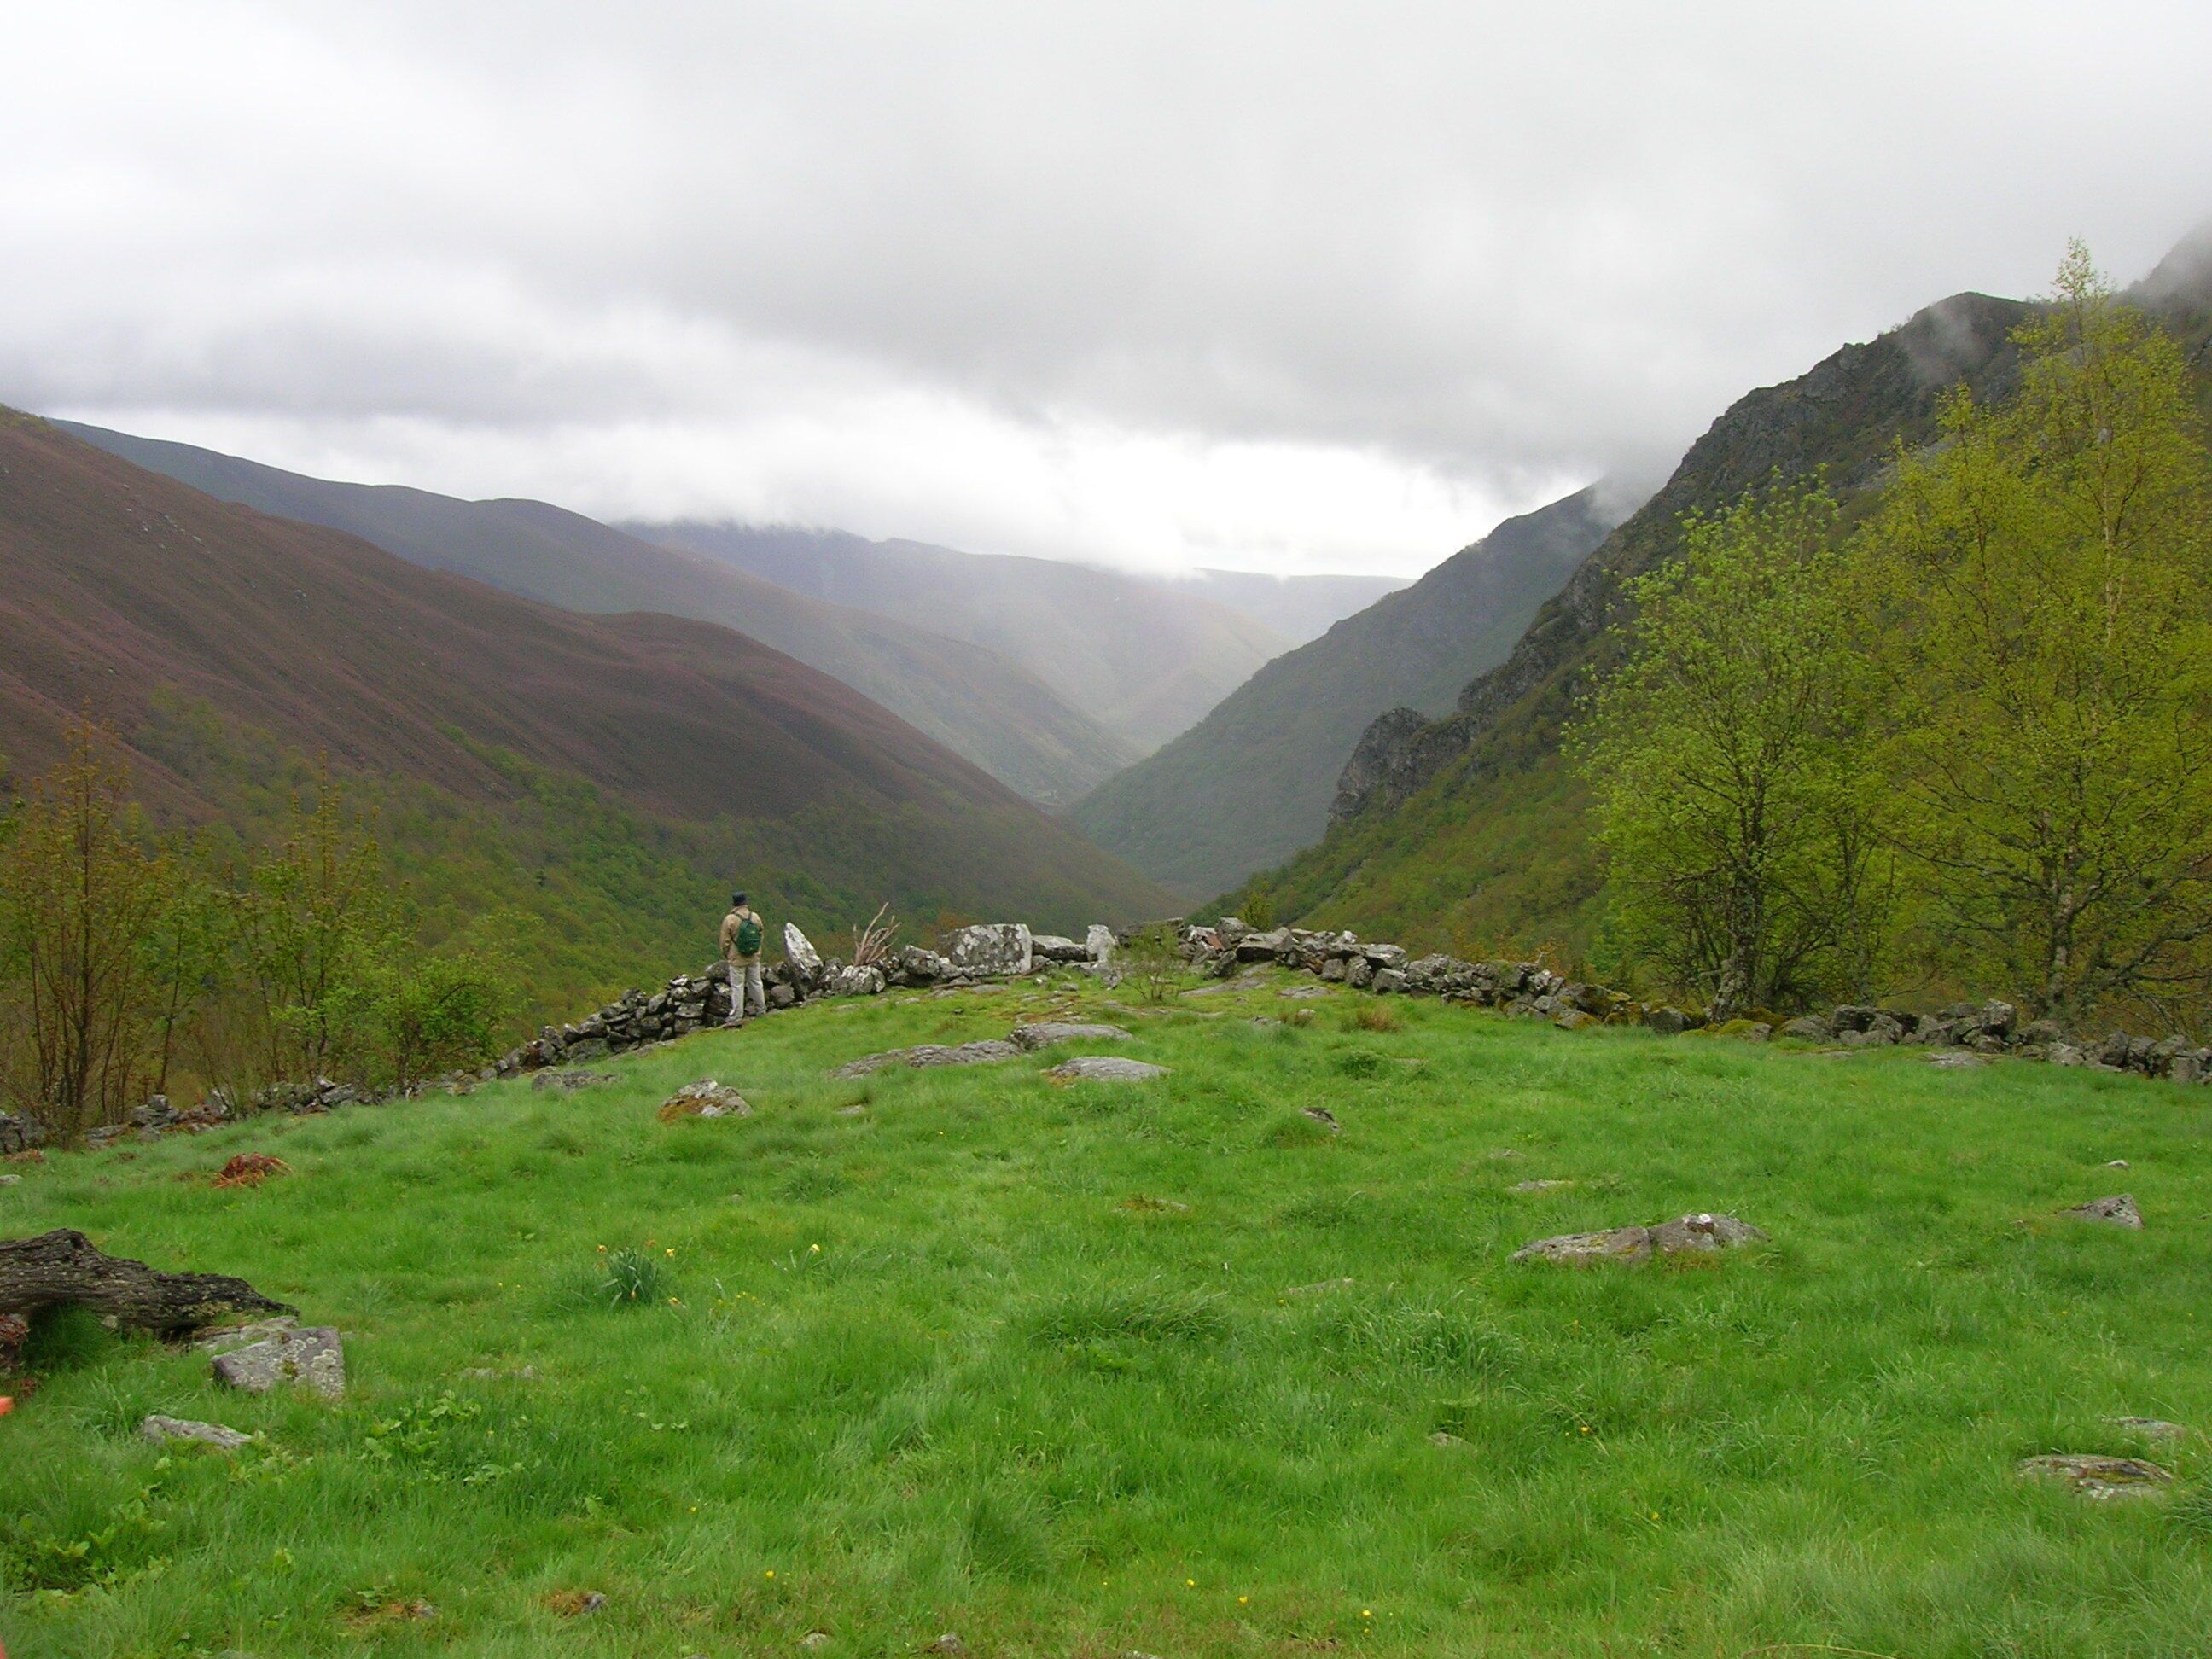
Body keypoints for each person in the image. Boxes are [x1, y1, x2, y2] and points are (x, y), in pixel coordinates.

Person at [719, 891, 767, 1028]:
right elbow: (760, 935)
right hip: (753, 957)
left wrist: (728, 954)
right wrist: (757, 951)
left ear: (734, 903)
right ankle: (761, 1009)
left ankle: (736, 1016)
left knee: (737, 987)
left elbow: (724, 942)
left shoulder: (730, 919)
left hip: (737, 958)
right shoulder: (755, 917)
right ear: (745, 902)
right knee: (756, 982)